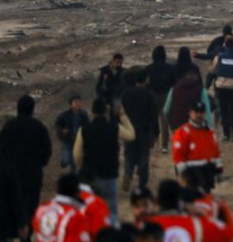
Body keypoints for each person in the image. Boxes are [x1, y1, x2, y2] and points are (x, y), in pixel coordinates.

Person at [74, 97, 133, 225]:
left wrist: (81, 168)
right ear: (106, 111)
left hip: (90, 176)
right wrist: (123, 116)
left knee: (89, 208)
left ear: (92, 111)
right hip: (109, 174)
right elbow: (131, 135)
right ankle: (108, 235)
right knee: (110, 210)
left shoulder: (84, 129)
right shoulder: (114, 127)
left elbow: (77, 154)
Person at [120, 68, 159, 192]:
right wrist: (156, 132)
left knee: (129, 153)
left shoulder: (126, 93)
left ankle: (128, 173)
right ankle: (142, 183)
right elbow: (153, 115)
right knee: (143, 155)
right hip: (144, 130)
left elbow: (120, 111)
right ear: (145, 79)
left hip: (129, 129)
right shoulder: (149, 94)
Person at [172, 102, 222, 190]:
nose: (199, 115)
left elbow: (215, 152)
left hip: (207, 172)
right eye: (196, 112)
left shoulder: (210, 131)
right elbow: (178, 155)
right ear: (190, 113)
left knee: (205, 198)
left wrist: (219, 170)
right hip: (191, 173)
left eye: (201, 112)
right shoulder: (182, 132)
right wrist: (182, 173)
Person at [145, 46, 177, 152]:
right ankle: (164, 146)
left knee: (151, 120)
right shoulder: (170, 68)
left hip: (151, 96)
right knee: (164, 122)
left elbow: (146, 83)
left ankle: (151, 143)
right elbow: (174, 82)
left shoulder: (148, 68)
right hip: (166, 95)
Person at [165, 66, 210, 132]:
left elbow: (166, 110)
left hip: (177, 125)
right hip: (195, 126)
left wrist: (171, 124)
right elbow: (207, 112)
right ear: (197, 77)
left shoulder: (174, 89)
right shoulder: (201, 91)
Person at [55, 95, 90, 174]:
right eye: (75, 102)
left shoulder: (84, 115)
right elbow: (57, 124)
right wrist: (62, 130)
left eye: (79, 102)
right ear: (71, 104)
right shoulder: (65, 115)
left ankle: (74, 180)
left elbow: (88, 126)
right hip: (67, 141)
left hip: (78, 142)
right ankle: (64, 162)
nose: (78, 104)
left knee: (74, 163)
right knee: (65, 160)